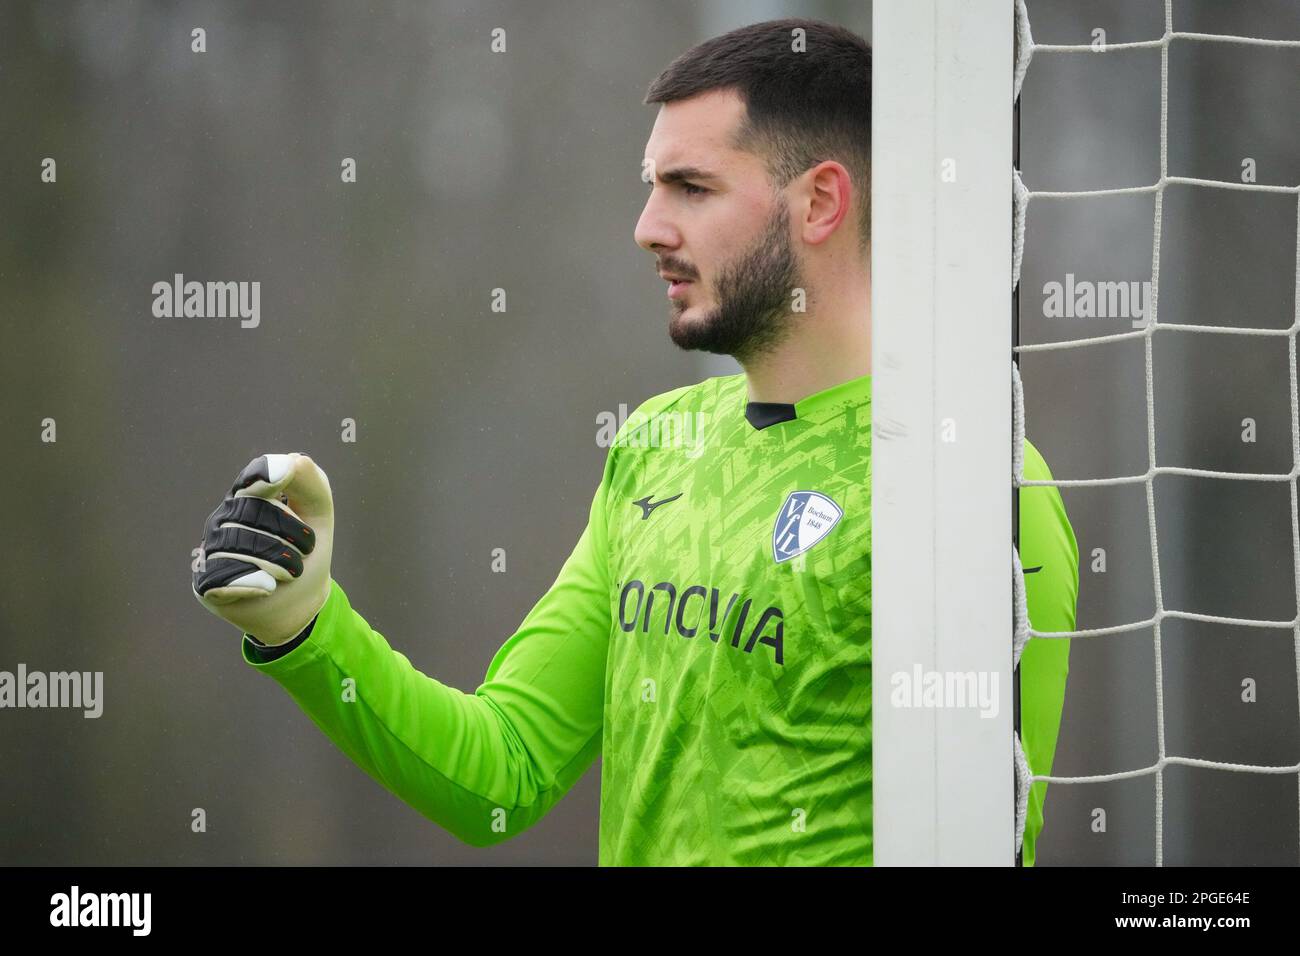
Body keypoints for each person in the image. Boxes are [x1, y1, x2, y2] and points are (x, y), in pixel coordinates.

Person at [193, 17, 1077, 866]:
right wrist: (305, 629)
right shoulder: (660, 442)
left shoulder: (972, 482)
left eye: (691, 188)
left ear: (820, 203)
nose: (648, 227)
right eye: (651, 186)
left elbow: (989, 845)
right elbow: (504, 770)